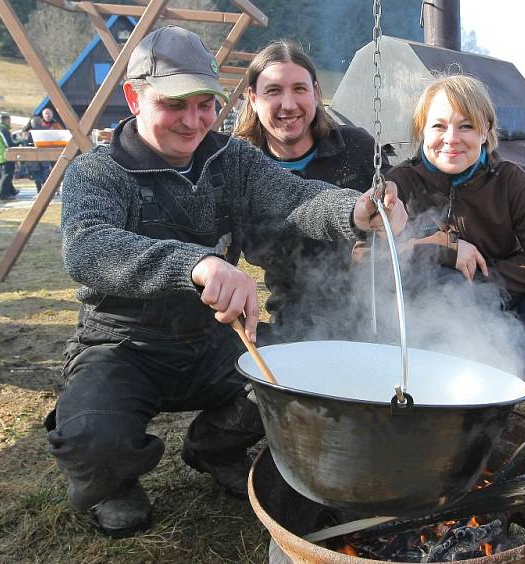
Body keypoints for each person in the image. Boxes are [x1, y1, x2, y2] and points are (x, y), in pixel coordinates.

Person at [46, 25, 405, 539]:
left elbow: (293, 197)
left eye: (205, 104)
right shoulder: (96, 172)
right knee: (92, 437)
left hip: (216, 339)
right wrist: (196, 264)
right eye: (175, 104)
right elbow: (87, 250)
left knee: (301, 382)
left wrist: (355, 209)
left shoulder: (231, 159)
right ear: (134, 97)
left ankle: (212, 447)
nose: (193, 121)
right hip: (122, 344)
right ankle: (115, 482)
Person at [386, 75, 525, 454]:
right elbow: (369, 258)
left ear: (486, 131)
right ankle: (437, 439)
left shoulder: (509, 181)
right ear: (422, 130)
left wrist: (487, 281)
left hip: (511, 300)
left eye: (466, 125)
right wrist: (444, 246)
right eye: (438, 125)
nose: (451, 138)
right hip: (429, 315)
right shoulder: (402, 182)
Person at [234, 40, 390, 344]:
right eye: (274, 91)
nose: (289, 104)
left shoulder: (355, 148)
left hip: (374, 311)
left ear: (317, 93)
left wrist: (443, 241)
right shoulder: (241, 166)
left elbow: (405, 206)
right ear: (252, 98)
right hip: (293, 320)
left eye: (300, 89)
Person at [0, 113, 19, 200]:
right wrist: (19, 141)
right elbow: (9, 144)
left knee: (6, 173)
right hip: (6, 155)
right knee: (7, 175)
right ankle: (3, 194)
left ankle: (12, 190)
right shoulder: (3, 130)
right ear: (6, 120)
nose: (10, 122)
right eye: (9, 120)